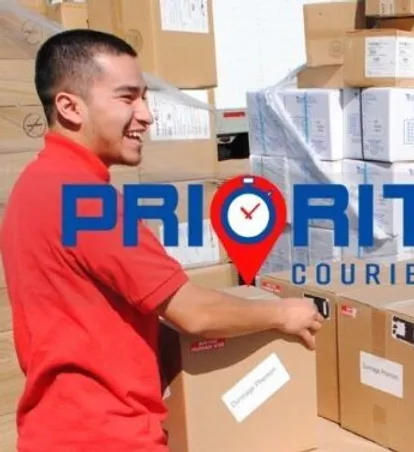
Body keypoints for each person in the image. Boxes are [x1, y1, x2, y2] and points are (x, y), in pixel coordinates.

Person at [0, 29, 322, 451]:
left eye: (145, 96)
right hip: (108, 437)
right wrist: (283, 314)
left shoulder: (34, 186)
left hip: (55, 430)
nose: (147, 114)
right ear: (69, 106)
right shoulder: (87, 203)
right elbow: (192, 312)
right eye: (127, 97)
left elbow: (94, 314)